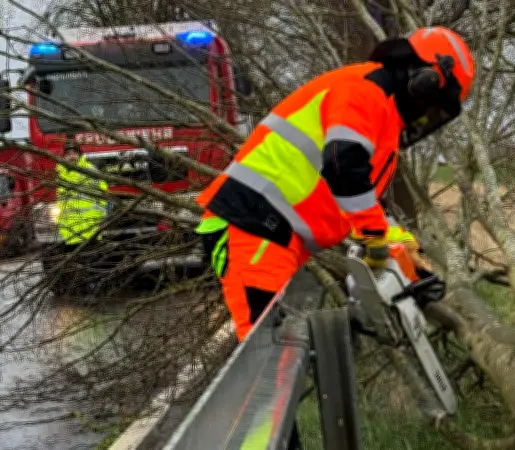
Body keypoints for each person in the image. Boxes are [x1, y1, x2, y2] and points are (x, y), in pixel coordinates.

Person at [194, 26, 475, 343]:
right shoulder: (363, 91)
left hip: (272, 234)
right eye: (434, 102)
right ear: (424, 82)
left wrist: (407, 254)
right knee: (266, 354)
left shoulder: (383, 123)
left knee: (284, 349)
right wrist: (373, 237)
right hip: (250, 226)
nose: (427, 114)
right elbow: (343, 164)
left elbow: (364, 202)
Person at [55, 140, 108, 250]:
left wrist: (101, 214)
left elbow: (103, 193)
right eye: (68, 154)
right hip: (70, 233)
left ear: (79, 154)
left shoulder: (90, 171)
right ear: (64, 157)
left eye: (74, 153)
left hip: (91, 230)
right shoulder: (61, 176)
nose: (71, 157)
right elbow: (60, 203)